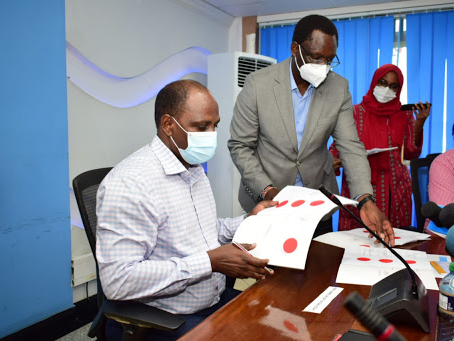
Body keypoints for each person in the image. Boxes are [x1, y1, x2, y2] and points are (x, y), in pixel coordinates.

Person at [96, 80, 276, 340]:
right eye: (202, 126)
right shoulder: (130, 184)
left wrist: (250, 220)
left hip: (211, 301)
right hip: (163, 319)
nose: (212, 135)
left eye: (215, 126)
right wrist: (210, 262)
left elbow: (203, 232)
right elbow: (118, 280)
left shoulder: (192, 166)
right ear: (168, 125)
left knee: (277, 320)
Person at [228, 14, 394, 245]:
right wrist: (267, 190)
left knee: (318, 274)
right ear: (295, 48)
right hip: (268, 202)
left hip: (317, 203)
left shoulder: (339, 87)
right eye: (315, 58)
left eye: (329, 59)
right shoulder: (258, 84)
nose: (322, 67)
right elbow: (240, 146)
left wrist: (365, 199)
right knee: (268, 276)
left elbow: (350, 147)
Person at [329, 64, 430, 230]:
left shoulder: (403, 114)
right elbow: (336, 148)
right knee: (357, 243)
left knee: (396, 241)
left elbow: (412, 153)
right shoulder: (354, 113)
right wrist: (335, 160)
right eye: (382, 83)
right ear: (374, 82)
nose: (386, 89)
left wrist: (419, 124)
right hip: (360, 187)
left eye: (393, 86)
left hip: (396, 188)